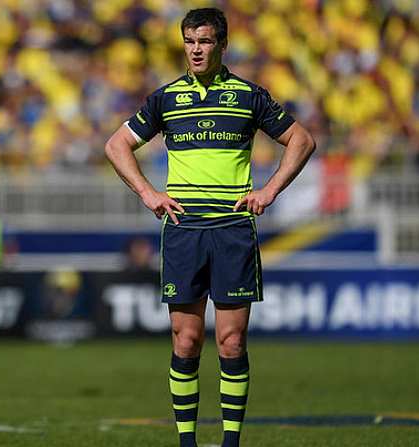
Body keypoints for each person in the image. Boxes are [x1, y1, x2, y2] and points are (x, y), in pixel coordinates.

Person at [104, 8, 315, 447]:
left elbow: (302, 139)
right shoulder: (165, 99)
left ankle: (231, 442)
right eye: (189, 41)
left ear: (222, 45)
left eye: (204, 41)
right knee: (186, 340)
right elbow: (116, 144)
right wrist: (148, 192)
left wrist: (270, 189)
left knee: (232, 341)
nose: (196, 50)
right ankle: (187, 442)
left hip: (233, 229)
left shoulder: (248, 96)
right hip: (184, 229)